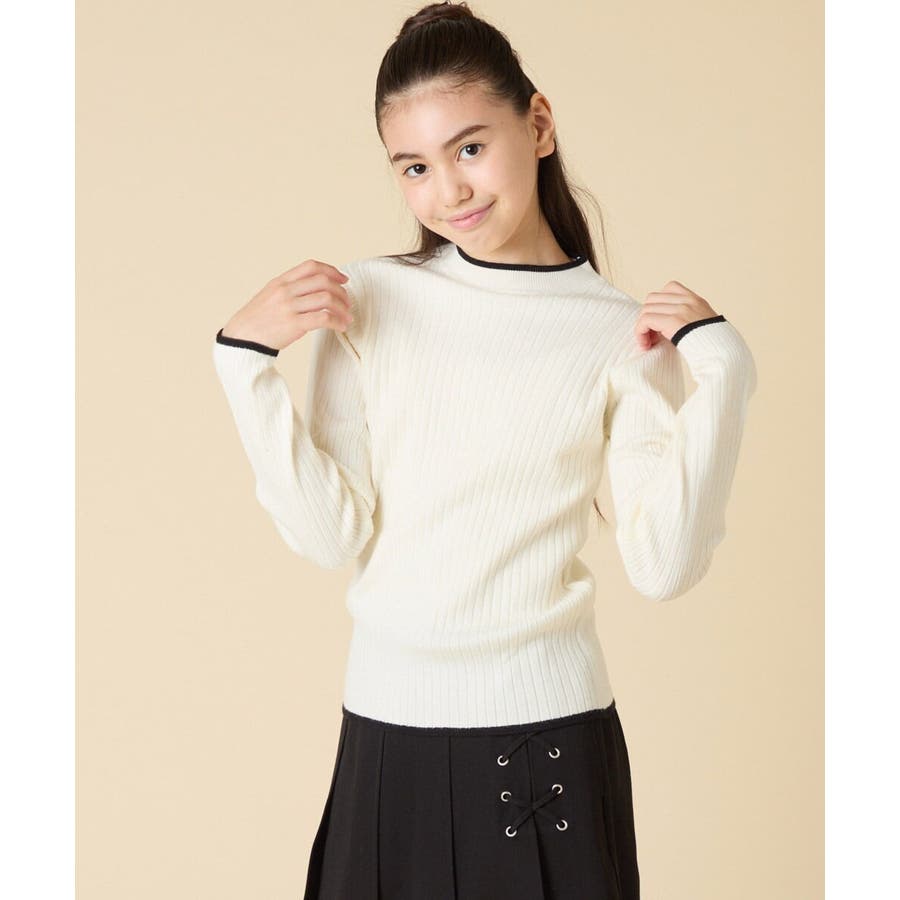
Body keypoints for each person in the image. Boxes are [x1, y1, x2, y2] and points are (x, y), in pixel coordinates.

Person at [212, 3, 757, 898]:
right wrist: (243, 365)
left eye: (469, 148)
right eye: (415, 167)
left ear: (537, 125)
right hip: (385, 742)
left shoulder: (618, 332)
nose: (449, 191)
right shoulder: (372, 300)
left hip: (548, 747)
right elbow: (328, 535)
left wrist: (726, 375)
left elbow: (663, 565)